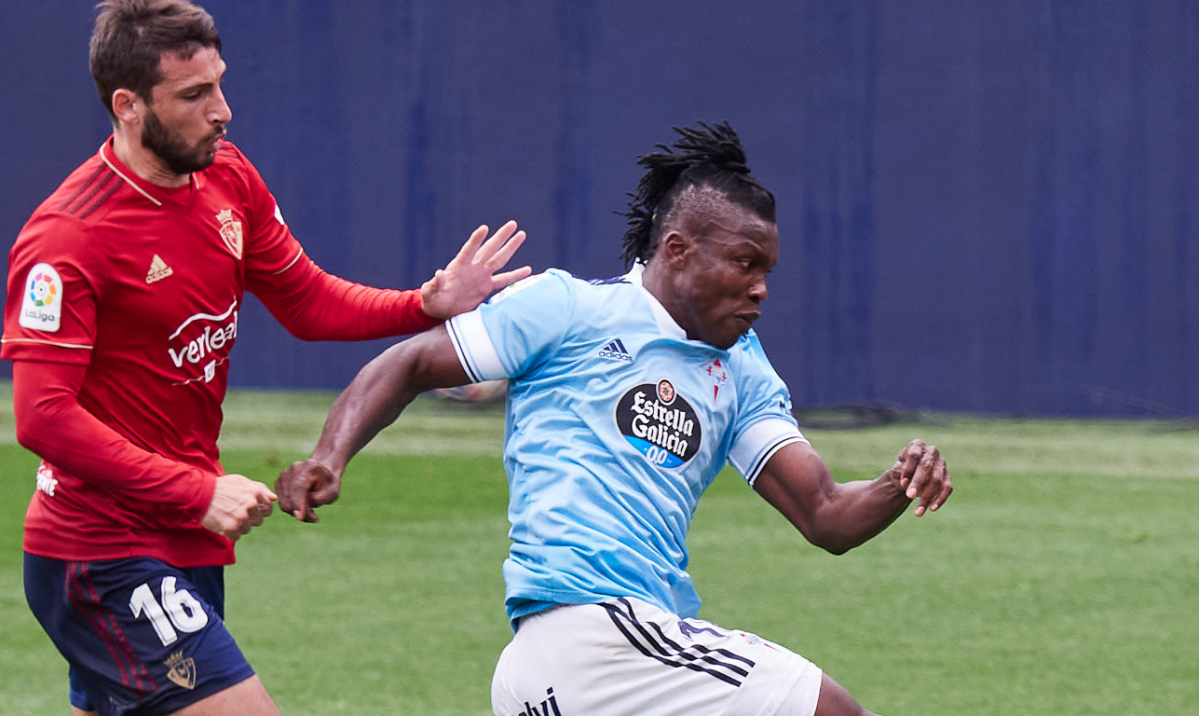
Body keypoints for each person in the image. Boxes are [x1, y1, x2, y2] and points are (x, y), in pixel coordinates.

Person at [275, 121, 952, 716]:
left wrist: (897, 482)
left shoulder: (741, 368)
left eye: (768, 269)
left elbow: (826, 514)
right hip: (593, 637)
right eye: (745, 264)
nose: (760, 287)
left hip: (598, 665)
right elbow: (409, 365)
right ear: (678, 250)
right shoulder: (568, 310)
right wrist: (329, 456)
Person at [0, 1, 530, 714]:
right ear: (127, 106)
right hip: (99, 550)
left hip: (182, 542)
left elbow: (307, 301)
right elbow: (43, 418)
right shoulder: (69, 238)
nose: (221, 111)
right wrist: (197, 490)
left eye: (218, 84)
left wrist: (422, 305)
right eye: (193, 95)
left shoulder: (227, 176)